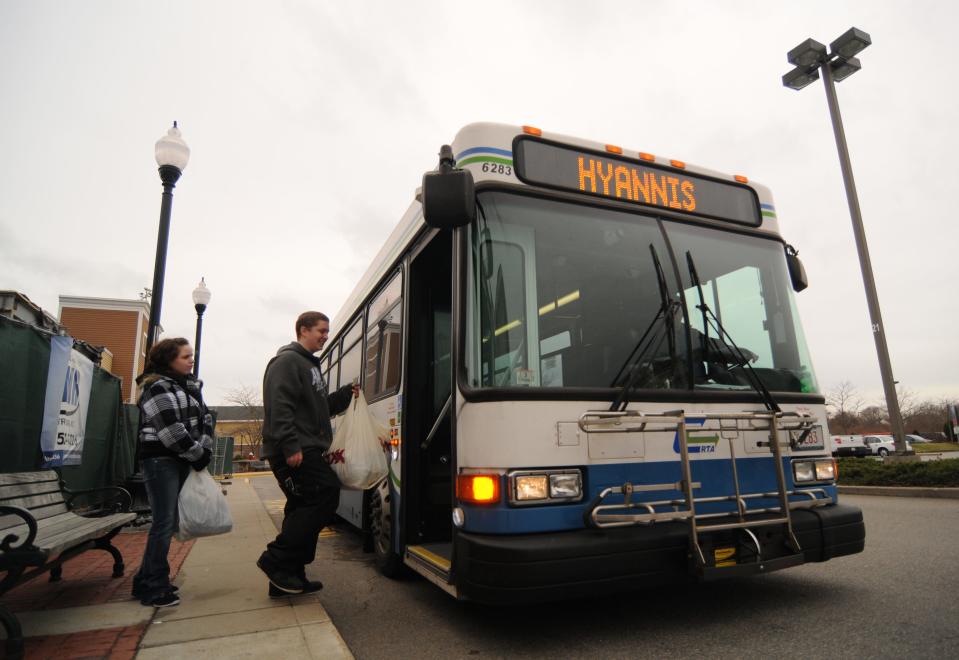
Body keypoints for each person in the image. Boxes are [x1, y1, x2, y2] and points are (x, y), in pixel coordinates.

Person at [257, 311, 358, 597]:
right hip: (296, 449)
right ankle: (275, 560)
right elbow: (280, 407)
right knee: (325, 496)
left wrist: (345, 395)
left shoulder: (310, 366)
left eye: (327, 331)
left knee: (299, 507)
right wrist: (291, 446)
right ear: (303, 330)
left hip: (306, 446)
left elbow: (317, 409)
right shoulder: (287, 361)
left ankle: (289, 576)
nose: (326, 336)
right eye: (321, 331)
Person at [132, 338, 214, 608]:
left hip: (179, 460)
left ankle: (145, 580)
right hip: (160, 461)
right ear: (169, 360)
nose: (191, 360)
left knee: (166, 522)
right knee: (163, 523)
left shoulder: (189, 388)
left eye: (192, 356)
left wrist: (203, 448)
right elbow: (170, 430)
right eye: (185, 357)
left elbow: (205, 422)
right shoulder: (156, 387)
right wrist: (198, 454)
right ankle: (154, 587)